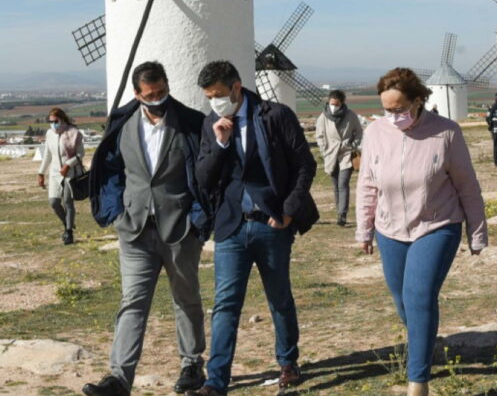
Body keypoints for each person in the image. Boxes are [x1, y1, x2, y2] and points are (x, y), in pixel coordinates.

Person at [356, 68, 488, 396]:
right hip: (390, 229)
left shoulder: (446, 132)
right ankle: (425, 341)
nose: (393, 116)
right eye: (387, 110)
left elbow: (467, 185)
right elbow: (367, 184)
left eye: (399, 109)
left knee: (418, 295)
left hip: (436, 225)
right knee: (403, 300)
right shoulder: (374, 133)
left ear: (417, 101)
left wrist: (477, 231)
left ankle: (418, 381)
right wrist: (365, 229)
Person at [191, 61, 319, 396]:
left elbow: (305, 165)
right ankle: (215, 380)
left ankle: (288, 363)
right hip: (232, 226)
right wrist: (220, 144)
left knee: (279, 298)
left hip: (272, 224)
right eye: (208, 97)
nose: (214, 102)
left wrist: (289, 211)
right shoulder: (210, 123)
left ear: (236, 87)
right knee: (225, 304)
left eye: (218, 95)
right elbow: (204, 179)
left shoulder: (275, 115)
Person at [83, 61, 210, 396]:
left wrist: (197, 218)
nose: (157, 99)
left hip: (179, 228)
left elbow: (204, 174)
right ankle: (119, 379)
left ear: (168, 86)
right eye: (150, 95)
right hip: (135, 228)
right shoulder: (121, 124)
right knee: (133, 301)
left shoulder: (191, 122)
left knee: (186, 298)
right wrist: (113, 211)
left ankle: (191, 364)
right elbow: (110, 170)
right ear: (137, 94)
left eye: (162, 92)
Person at [315, 89, 363, 226]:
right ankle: (338, 212)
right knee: (335, 186)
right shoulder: (323, 117)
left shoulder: (351, 115)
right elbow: (319, 135)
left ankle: (342, 214)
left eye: (336, 104)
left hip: (346, 154)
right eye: (331, 103)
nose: (333, 106)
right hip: (330, 155)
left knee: (343, 184)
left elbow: (359, 131)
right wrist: (324, 149)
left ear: (342, 103)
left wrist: (354, 144)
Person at [37, 107, 84, 245]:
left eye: (55, 121)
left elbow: (81, 154)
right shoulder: (50, 134)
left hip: (70, 173)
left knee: (68, 202)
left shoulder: (74, 133)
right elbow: (47, 155)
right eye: (50, 121)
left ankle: (69, 232)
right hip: (55, 173)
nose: (53, 124)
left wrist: (68, 164)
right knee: (54, 202)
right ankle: (67, 223)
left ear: (62, 119)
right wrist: (41, 172)